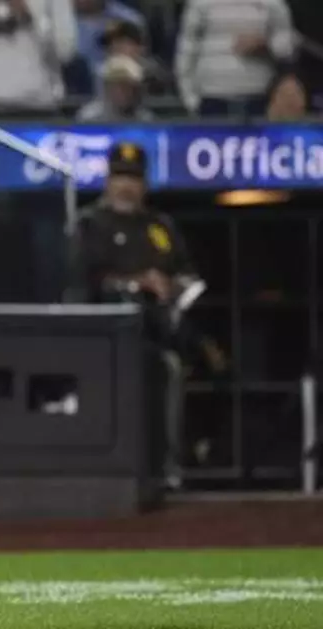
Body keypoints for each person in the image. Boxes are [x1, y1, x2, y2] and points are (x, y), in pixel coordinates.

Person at [65, 142, 220, 490]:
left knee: (177, 367)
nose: (126, 185)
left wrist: (172, 286)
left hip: (156, 331)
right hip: (104, 337)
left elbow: (188, 273)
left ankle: (167, 467)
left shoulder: (159, 225)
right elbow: (83, 280)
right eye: (120, 175)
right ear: (107, 180)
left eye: (133, 177)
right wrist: (138, 282)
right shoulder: (90, 223)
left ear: (145, 183)